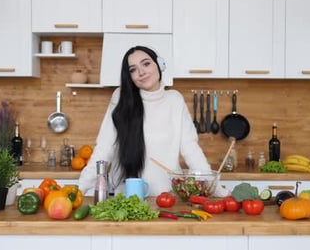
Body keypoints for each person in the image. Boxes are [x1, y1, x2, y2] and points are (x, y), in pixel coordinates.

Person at [78, 46, 228, 197]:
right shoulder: (121, 98)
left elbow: (191, 149)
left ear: (159, 64)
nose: (141, 72)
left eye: (146, 64)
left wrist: (214, 188)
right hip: (126, 199)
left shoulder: (175, 100)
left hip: (166, 198)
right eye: (133, 70)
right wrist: (79, 189)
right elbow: (104, 149)